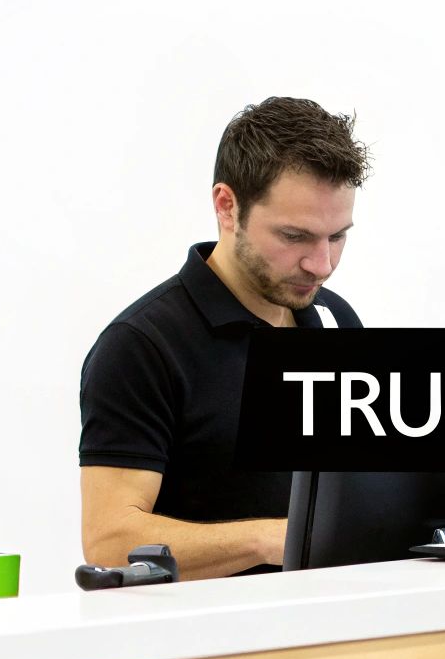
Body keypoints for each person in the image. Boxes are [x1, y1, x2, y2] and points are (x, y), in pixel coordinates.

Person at [78, 97, 369, 580]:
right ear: (227, 206)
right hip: (208, 645)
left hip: (332, 627)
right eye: (295, 236)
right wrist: (275, 537)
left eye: (337, 237)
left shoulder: (335, 320)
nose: (322, 264)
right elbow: (109, 541)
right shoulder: (142, 345)